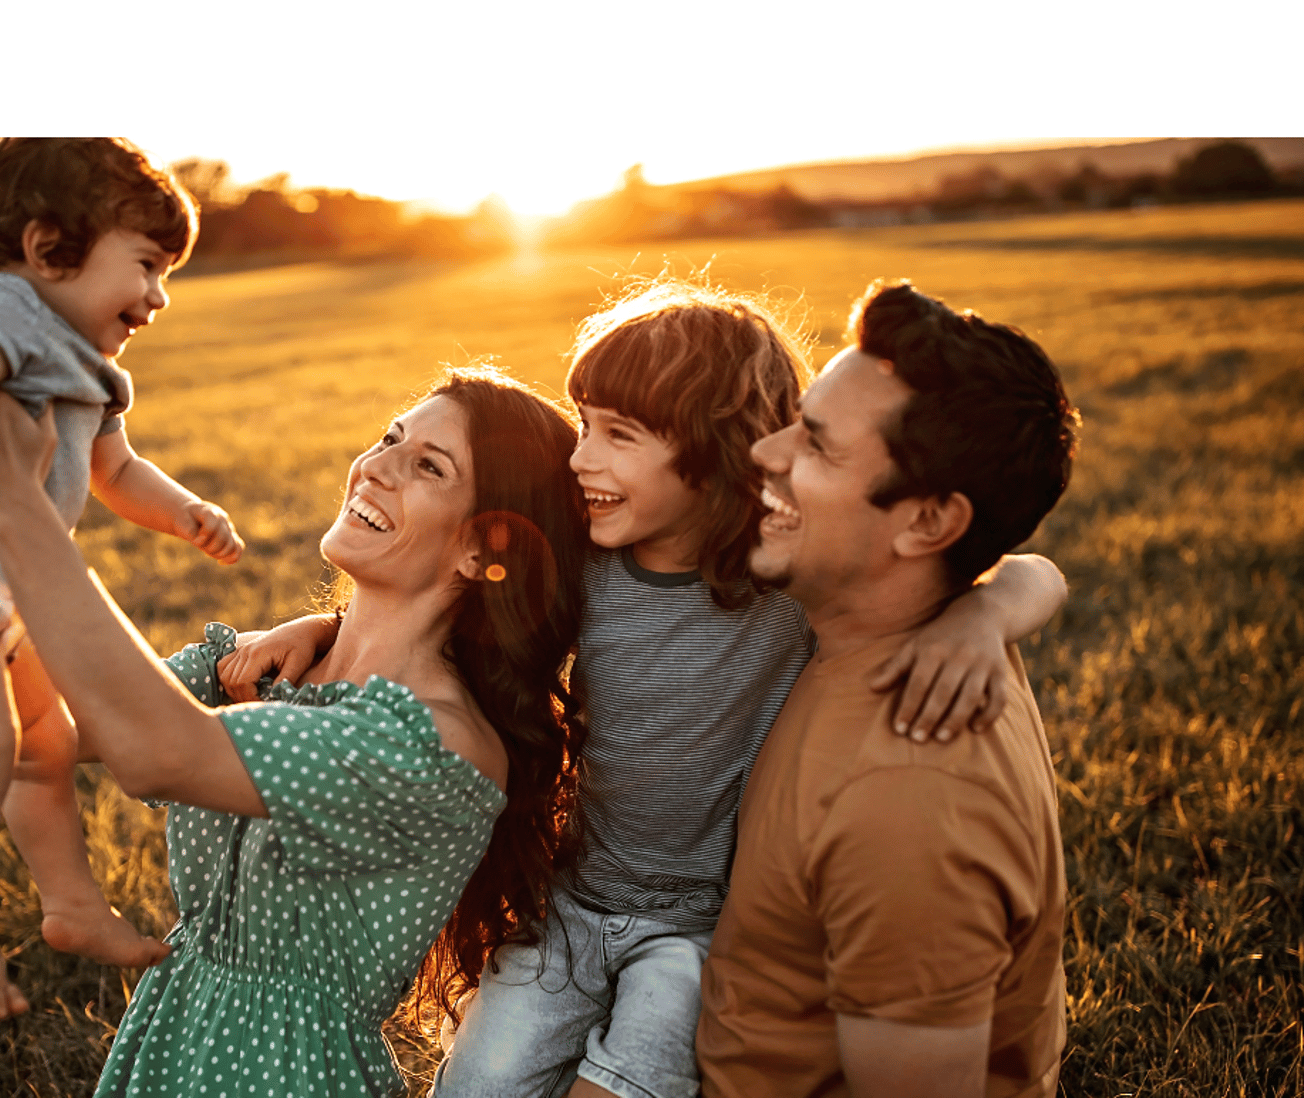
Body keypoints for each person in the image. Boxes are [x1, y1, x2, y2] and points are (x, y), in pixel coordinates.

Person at [229, 282, 1068, 1098]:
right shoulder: (591, 564)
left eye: (618, 433)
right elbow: (456, 617)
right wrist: (322, 631)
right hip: (575, 898)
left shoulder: (777, 587)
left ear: (713, 455)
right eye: (585, 424)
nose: (578, 456)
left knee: (632, 1076)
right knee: (480, 1079)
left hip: (695, 927)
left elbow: (1022, 566)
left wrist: (985, 613)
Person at [0, 365, 589, 1097]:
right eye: (389, 437)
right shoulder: (261, 667)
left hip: (289, 1074)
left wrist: (23, 519)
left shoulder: (438, 745)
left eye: (427, 466)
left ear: (480, 550)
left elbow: (160, 752)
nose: (375, 467)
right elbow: (37, 727)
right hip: (174, 1032)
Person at [0, 138, 244, 1018]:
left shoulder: (95, 369)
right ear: (47, 247)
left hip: (9, 586)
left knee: (48, 748)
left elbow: (117, 473)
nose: (158, 294)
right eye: (145, 264)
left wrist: (185, 512)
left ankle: (72, 906)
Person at [697, 279, 1080, 1097]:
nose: (767, 451)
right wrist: (995, 606)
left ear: (928, 523)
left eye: (819, 445)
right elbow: (1036, 572)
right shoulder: (913, 623)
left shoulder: (906, 800)